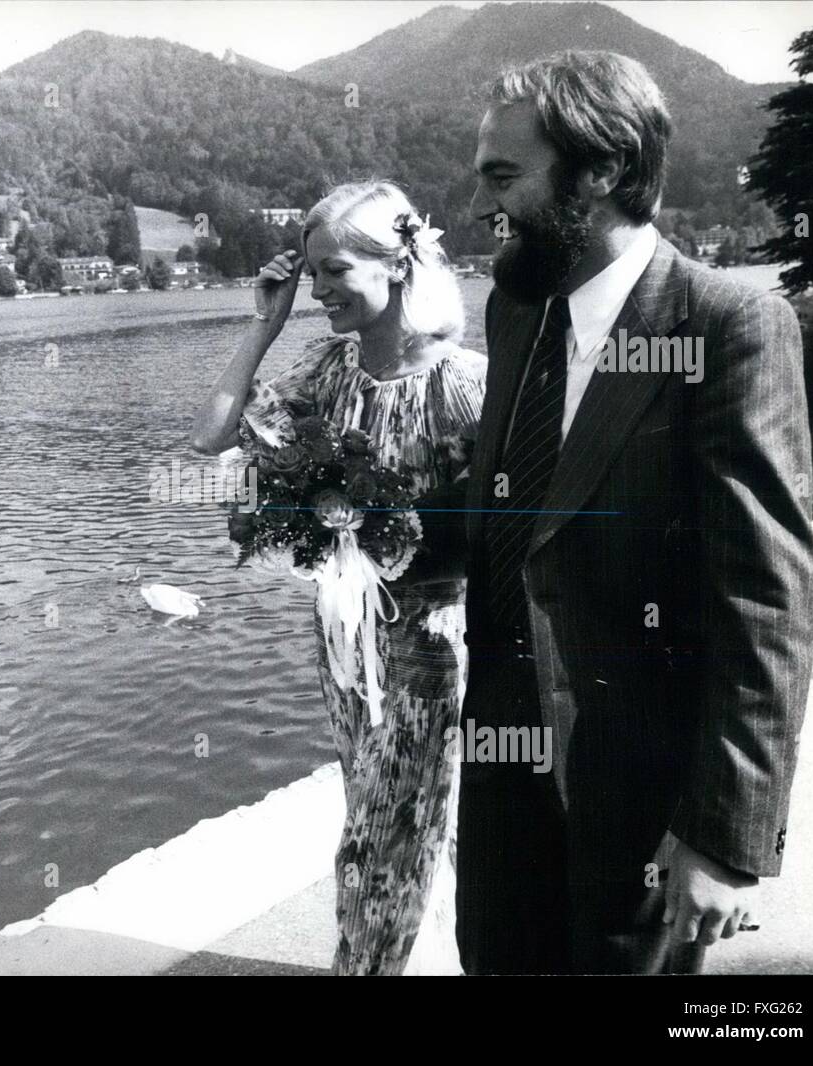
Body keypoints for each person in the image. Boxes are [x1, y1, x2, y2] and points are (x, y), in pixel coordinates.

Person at [460, 51, 813, 974]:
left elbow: (765, 597)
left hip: (644, 808)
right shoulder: (514, 310)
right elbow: (521, 528)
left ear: (604, 170)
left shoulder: (724, 324)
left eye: (504, 177)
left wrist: (725, 838)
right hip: (506, 780)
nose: (479, 208)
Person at [191, 180, 486, 975]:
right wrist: (265, 321)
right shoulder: (329, 371)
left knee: (378, 846)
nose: (318, 291)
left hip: (435, 647)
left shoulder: (467, 386)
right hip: (343, 643)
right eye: (309, 275)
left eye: (333, 273)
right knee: (397, 820)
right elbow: (210, 437)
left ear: (398, 266)